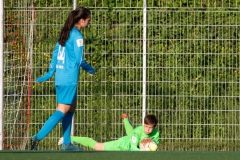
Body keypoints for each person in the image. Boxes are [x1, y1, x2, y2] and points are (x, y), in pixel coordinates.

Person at [30, 7, 94, 151]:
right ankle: (36, 138)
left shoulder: (65, 34)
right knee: (62, 110)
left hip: (60, 77)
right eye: (88, 20)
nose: (89, 23)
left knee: (71, 107)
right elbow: (79, 60)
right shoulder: (77, 37)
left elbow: (55, 54)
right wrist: (90, 69)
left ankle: (67, 143)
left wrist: (49, 73)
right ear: (82, 20)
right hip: (69, 79)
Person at [58, 114, 159, 151]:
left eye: (150, 128)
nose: (148, 130)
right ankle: (68, 138)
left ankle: (125, 119)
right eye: (146, 126)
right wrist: (143, 151)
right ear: (143, 124)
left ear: (154, 127)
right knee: (97, 147)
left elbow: (154, 145)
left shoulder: (156, 133)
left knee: (130, 132)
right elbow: (133, 147)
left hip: (130, 147)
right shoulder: (138, 131)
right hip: (123, 145)